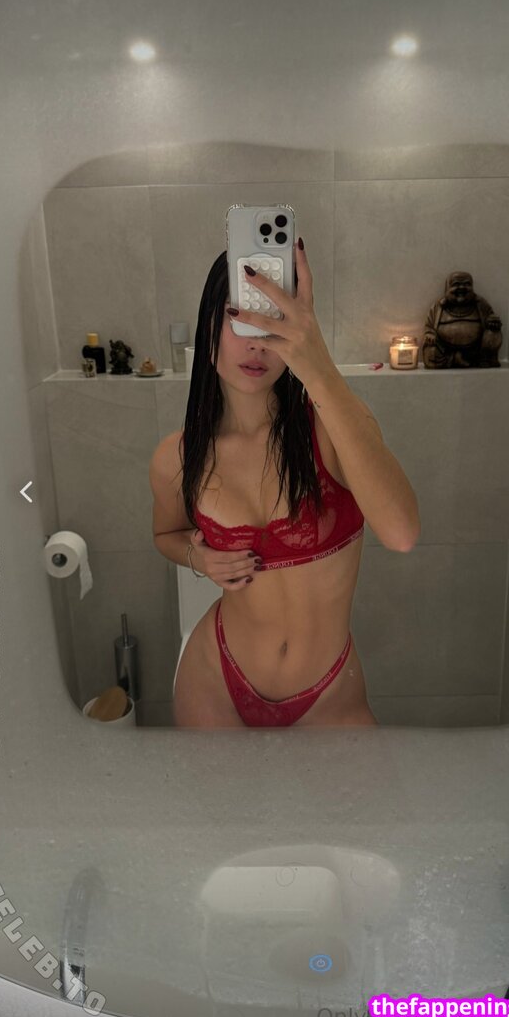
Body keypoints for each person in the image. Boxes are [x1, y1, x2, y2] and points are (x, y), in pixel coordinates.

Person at [150, 243, 417, 728]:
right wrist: (197, 557)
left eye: (274, 321)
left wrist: (317, 365)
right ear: (208, 329)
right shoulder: (178, 455)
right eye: (240, 318)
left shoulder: (331, 430)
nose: (258, 344)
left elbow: (401, 532)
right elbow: (165, 535)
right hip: (214, 678)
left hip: (330, 695)